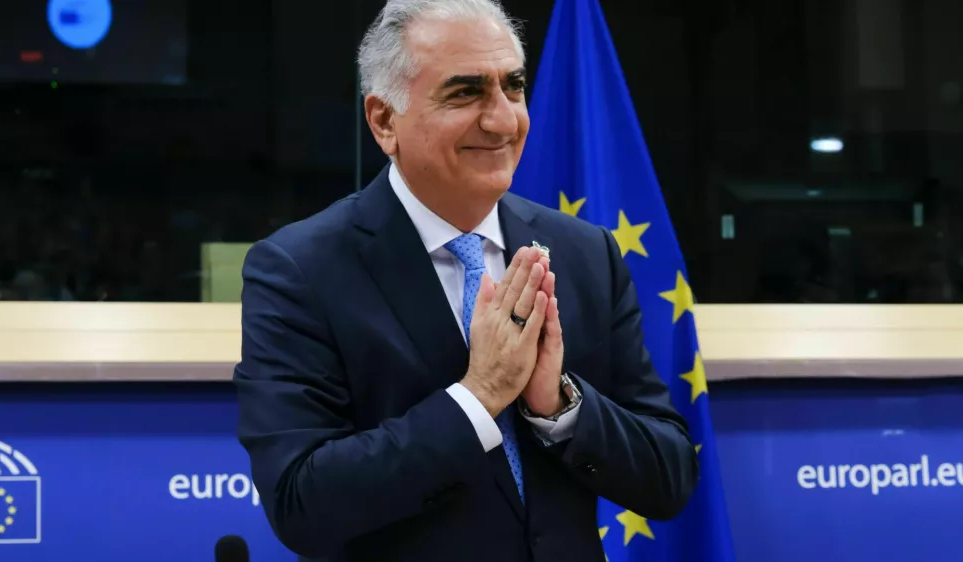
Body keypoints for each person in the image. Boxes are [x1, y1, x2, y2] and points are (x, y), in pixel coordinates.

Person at [233, 1, 698, 560]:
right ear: (384, 121)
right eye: (465, 93)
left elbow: (669, 476)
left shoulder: (585, 252)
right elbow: (301, 504)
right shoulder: (300, 269)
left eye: (513, 87)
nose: (503, 120)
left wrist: (558, 405)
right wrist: (479, 398)